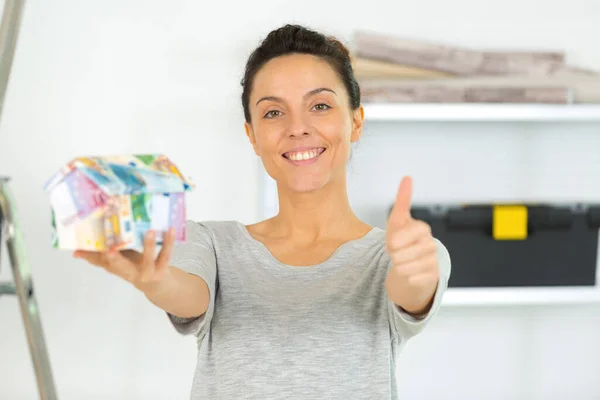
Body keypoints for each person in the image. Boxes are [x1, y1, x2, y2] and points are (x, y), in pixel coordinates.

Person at [75, 23, 451, 400]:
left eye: (319, 106)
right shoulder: (211, 242)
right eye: (273, 113)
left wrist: (413, 270)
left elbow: (412, 291)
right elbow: (188, 294)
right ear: (252, 135)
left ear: (355, 122)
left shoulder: (401, 256)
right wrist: (155, 282)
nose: (297, 128)